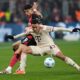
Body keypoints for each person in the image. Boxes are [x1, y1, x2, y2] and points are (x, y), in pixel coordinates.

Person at [2, 14, 80, 74]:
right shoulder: (31, 29)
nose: (34, 29)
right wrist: (14, 37)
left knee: (63, 57)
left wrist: (72, 30)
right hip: (40, 48)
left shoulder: (44, 28)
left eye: (35, 27)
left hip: (50, 47)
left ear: (38, 25)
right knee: (24, 49)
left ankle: (78, 67)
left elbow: (58, 29)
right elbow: (23, 34)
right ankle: (22, 70)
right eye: (33, 27)